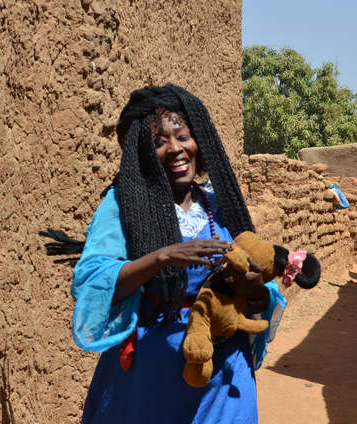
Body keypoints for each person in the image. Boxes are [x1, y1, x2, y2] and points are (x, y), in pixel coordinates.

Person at [71, 84, 286, 423]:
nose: (175, 149)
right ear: (140, 151)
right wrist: (162, 257)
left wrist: (257, 289)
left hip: (224, 367)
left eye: (183, 136)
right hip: (151, 374)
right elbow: (93, 282)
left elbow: (261, 287)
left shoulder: (221, 203)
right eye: (159, 142)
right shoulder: (121, 207)